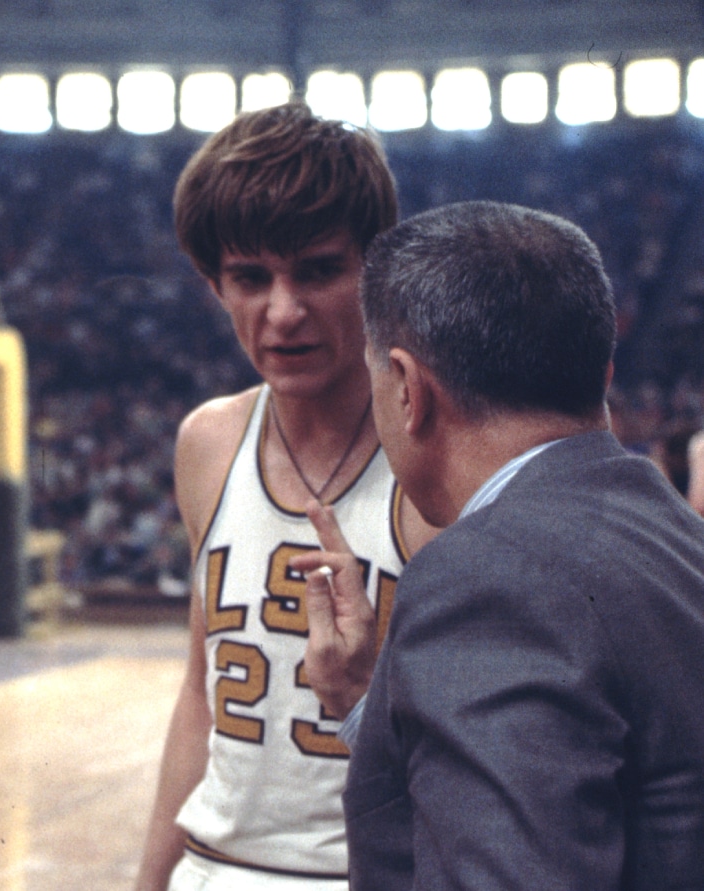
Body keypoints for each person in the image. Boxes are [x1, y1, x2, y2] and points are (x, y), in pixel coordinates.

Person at [308, 200, 704, 888]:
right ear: (601, 375)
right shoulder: (673, 533)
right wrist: (371, 703)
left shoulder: (486, 579)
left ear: (406, 388)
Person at [135, 99, 436, 891]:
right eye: (250, 277)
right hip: (213, 867)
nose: (283, 310)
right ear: (214, 284)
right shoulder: (207, 442)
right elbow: (201, 690)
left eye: (318, 269)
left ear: (376, 268)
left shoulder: (437, 452)